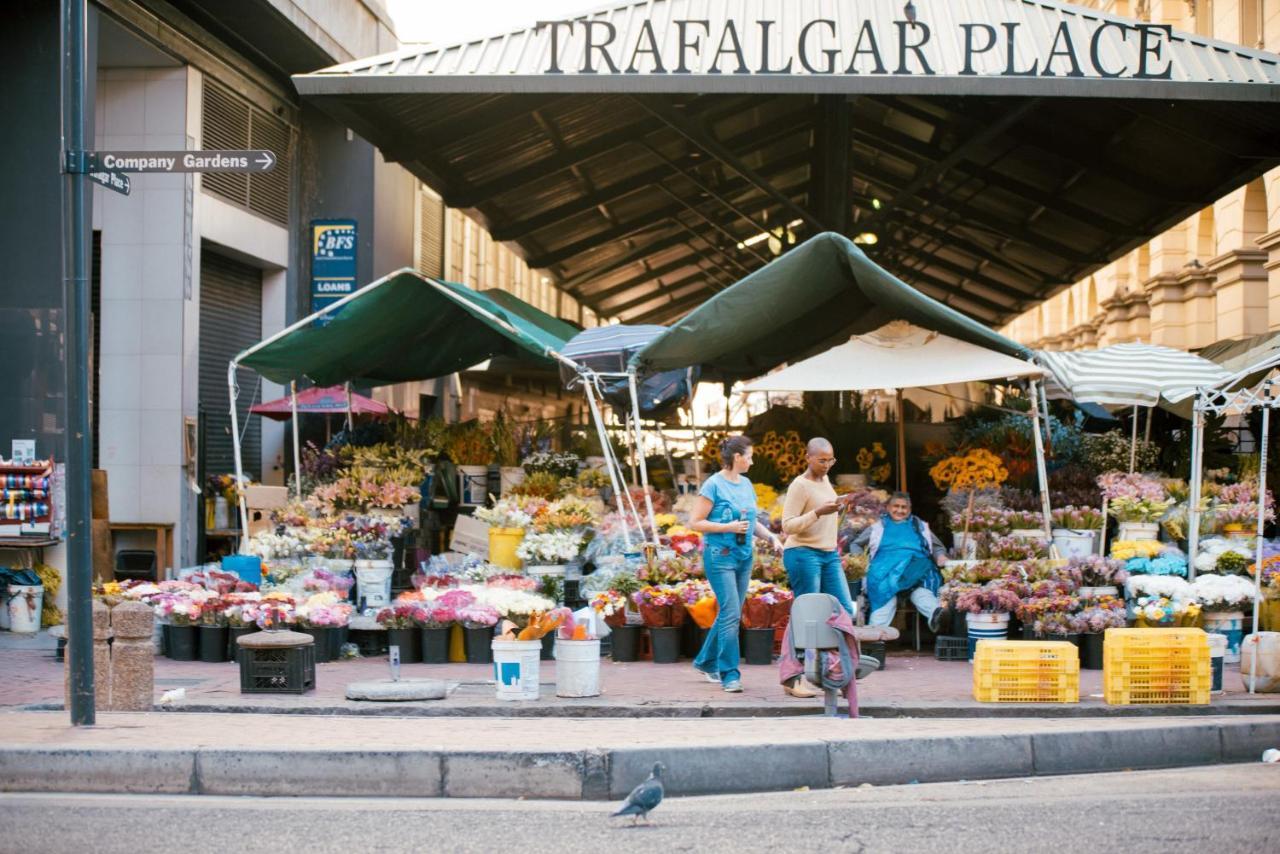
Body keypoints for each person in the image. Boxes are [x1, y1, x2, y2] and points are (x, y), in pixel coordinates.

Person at [687, 435, 781, 693]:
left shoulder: (747, 484)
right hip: (720, 557)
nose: (752, 460)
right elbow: (695, 522)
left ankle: (706, 661)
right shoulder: (713, 485)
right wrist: (727, 526)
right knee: (730, 613)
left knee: (731, 612)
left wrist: (771, 537)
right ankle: (729, 674)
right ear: (737, 457)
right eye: (749, 456)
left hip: (744, 556)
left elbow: (752, 521)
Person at [779, 438, 857, 698]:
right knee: (805, 615)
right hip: (802, 553)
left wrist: (838, 508)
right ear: (808, 458)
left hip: (828, 553)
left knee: (843, 609)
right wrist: (819, 512)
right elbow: (787, 525)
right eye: (822, 460)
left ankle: (833, 670)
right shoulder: (799, 485)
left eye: (831, 460)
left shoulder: (825, 481)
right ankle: (792, 677)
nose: (827, 465)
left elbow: (826, 518)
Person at [850, 491, 947, 631]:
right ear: (888, 507)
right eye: (896, 506)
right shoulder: (878, 526)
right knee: (885, 596)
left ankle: (937, 615)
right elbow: (856, 544)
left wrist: (941, 557)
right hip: (884, 573)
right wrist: (861, 562)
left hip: (915, 570)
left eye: (904, 507)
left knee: (921, 593)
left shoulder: (919, 526)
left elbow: (937, 547)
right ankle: (873, 638)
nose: (900, 510)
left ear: (909, 509)